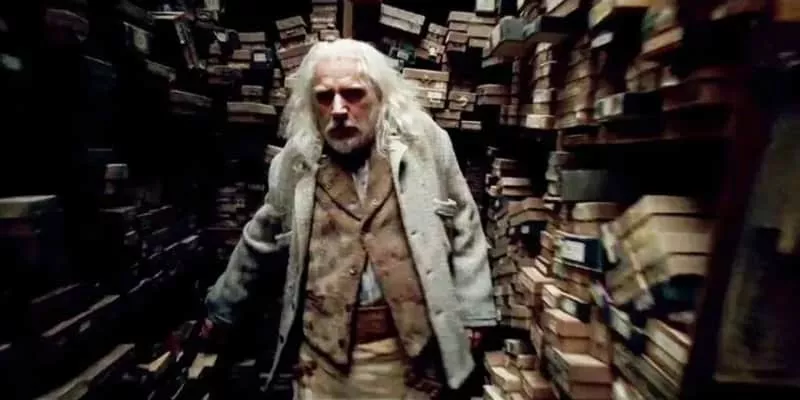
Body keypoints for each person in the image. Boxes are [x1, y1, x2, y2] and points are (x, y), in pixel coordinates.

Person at [204, 38, 496, 399]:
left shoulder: (423, 144)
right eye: (325, 97)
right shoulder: (295, 162)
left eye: (354, 94)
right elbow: (260, 237)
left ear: (381, 96)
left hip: (412, 358)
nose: (339, 109)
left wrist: (474, 309)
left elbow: (465, 221)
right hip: (324, 363)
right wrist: (221, 309)